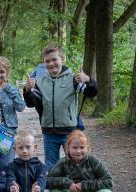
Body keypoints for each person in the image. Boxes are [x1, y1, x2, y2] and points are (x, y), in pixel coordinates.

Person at [23, 44, 98, 172]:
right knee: (52, 168)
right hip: (48, 132)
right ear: (43, 63)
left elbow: (91, 93)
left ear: (62, 59)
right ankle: (55, 191)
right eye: (47, 61)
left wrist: (88, 80)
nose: (51, 63)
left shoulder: (73, 79)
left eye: (54, 59)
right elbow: (31, 103)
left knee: (75, 164)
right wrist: (27, 90)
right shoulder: (40, 82)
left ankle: (76, 190)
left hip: (69, 131)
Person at [47, 130, 115, 192]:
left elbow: (109, 181)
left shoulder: (93, 161)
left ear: (87, 148)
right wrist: (68, 183)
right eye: (74, 148)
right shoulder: (63, 162)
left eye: (82, 147)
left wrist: (84, 185)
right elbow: (48, 180)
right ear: (68, 148)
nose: (78, 151)